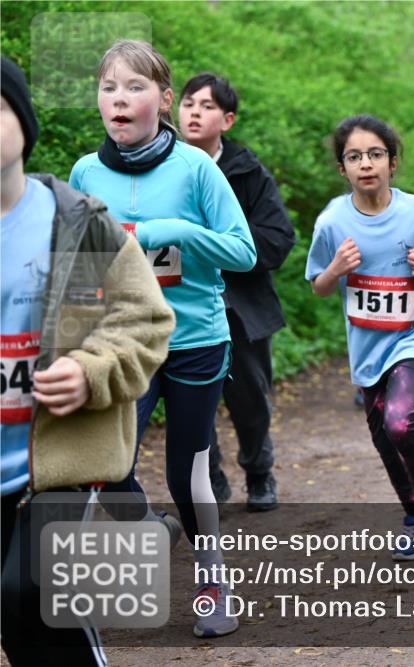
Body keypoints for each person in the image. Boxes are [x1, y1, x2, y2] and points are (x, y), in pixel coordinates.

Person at [70, 40, 256, 637]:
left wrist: (178, 230)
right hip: (124, 341)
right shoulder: (84, 172)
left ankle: (211, 583)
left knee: (187, 473)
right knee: (107, 460)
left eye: (134, 88)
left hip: (196, 338)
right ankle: (148, 528)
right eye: (109, 88)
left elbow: (245, 252)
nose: (119, 100)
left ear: (164, 100)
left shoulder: (196, 169)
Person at [1, 56, 173, 665]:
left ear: (23, 122)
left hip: (57, 459)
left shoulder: (77, 221)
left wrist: (91, 369)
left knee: (32, 592)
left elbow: (146, 320)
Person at [306, 115, 414, 561]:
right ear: (342, 169)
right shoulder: (333, 221)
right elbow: (317, 284)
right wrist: (335, 269)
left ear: (392, 162)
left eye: (375, 154)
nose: (365, 163)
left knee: (399, 421)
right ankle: (413, 517)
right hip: (368, 344)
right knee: (383, 436)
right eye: (354, 156)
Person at [178, 72, 296, 512]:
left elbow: (277, 238)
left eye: (206, 106)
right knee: (190, 402)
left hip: (241, 307)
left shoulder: (247, 172)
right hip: (181, 304)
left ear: (226, 120)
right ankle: (209, 477)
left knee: (249, 401)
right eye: (188, 103)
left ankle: (260, 473)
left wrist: (216, 247)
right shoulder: (159, 167)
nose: (194, 112)